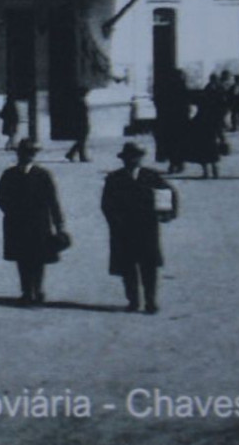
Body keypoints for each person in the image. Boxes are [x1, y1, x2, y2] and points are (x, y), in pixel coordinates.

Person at [100, 142, 178, 314]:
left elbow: (167, 192)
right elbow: (107, 204)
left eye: (136, 157)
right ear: (124, 159)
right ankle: (133, 301)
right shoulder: (114, 178)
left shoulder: (151, 176)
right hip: (123, 230)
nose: (133, 160)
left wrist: (166, 213)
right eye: (129, 157)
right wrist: (115, 222)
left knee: (149, 267)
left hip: (147, 228)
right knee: (128, 268)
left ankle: (151, 301)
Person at [0, 138, 67, 304]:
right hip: (16, 223)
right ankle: (26, 291)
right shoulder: (9, 174)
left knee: (39, 258)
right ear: (18, 154)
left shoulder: (42, 175)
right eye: (25, 153)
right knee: (22, 258)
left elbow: (52, 200)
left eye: (31, 153)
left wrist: (59, 224)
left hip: (39, 223)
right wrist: (12, 211)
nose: (28, 156)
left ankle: (38, 290)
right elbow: (1, 197)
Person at [64, 86, 91, 163]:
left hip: (81, 123)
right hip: (82, 123)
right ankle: (80, 156)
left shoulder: (79, 101)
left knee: (81, 141)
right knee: (82, 141)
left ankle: (71, 154)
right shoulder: (80, 102)